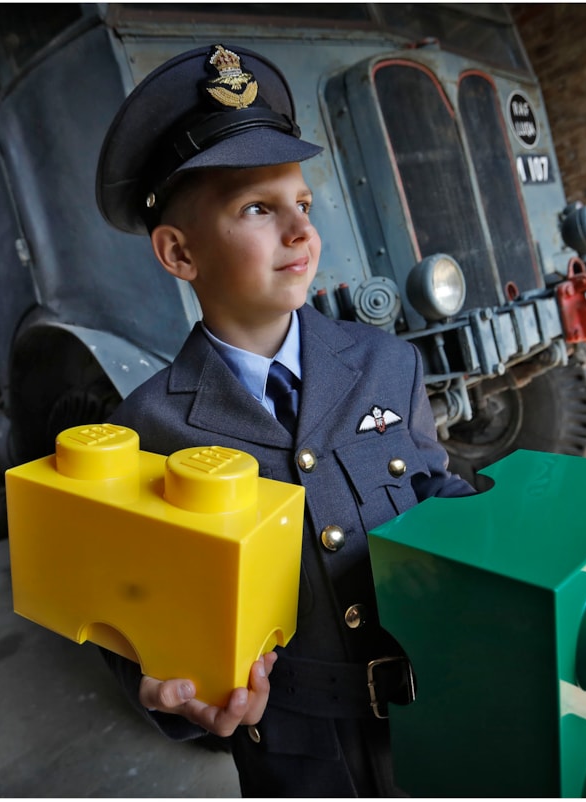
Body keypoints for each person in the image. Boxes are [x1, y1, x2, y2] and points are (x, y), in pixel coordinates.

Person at [93, 43, 475, 797]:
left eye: (301, 202)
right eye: (258, 210)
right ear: (179, 252)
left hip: (439, 714)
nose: (301, 232)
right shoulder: (144, 433)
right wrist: (167, 692)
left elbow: (433, 488)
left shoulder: (385, 365)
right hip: (295, 756)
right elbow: (129, 616)